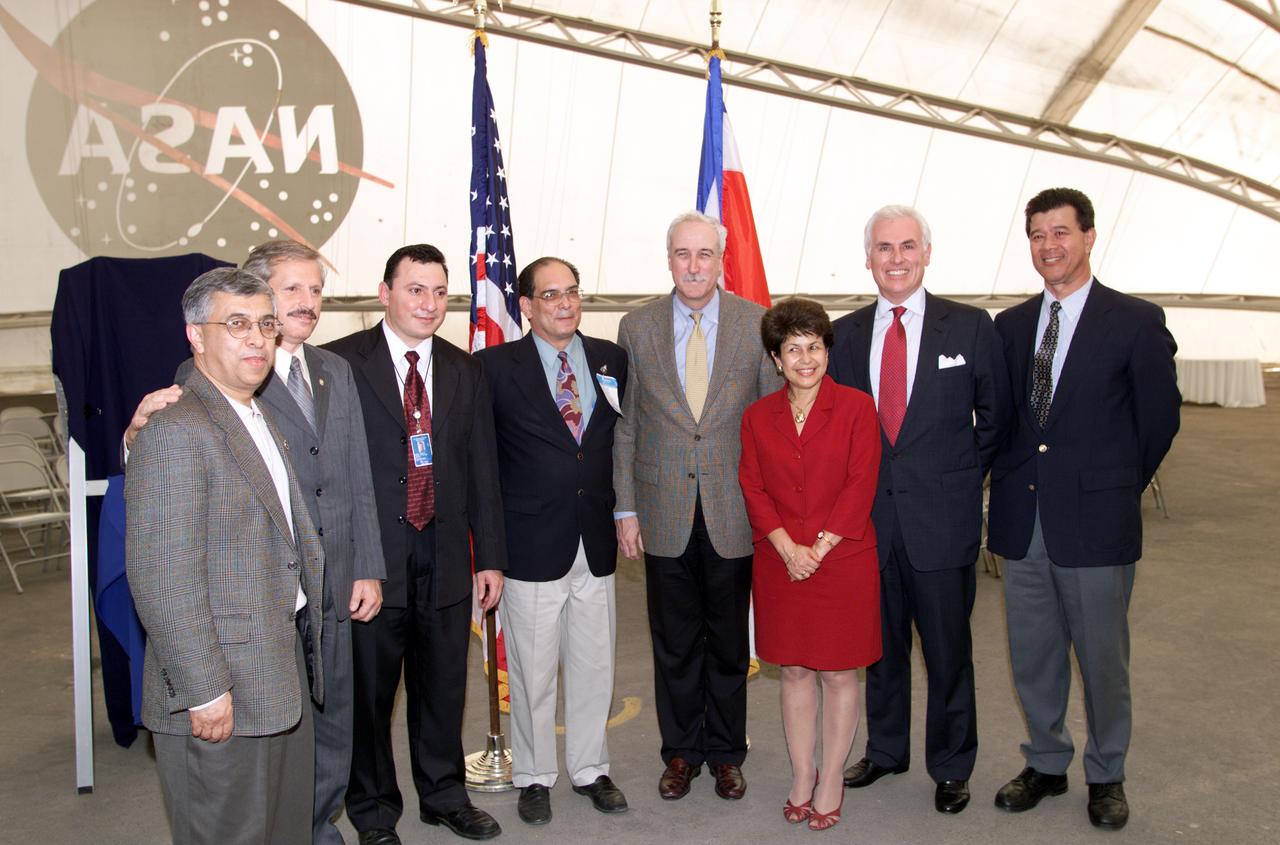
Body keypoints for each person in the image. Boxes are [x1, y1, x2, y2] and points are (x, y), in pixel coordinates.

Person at [123, 240, 387, 845]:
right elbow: (163, 576)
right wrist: (204, 688)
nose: (255, 339)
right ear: (196, 336)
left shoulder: (256, 413)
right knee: (231, 830)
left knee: (282, 825)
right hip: (222, 683)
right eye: (236, 324)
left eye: (264, 325)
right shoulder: (179, 426)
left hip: (281, 666)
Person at [988, 188, 1180, 831]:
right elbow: (1007, 422)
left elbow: (1158, 421)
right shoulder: (1010, 327)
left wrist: (1115, 488)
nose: (1050, 246)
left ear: (1090, 237)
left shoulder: (1134, 321)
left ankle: (1106, 773)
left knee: (1102, 658)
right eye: (1038, 235)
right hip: (1024, 522)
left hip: (1097, 523)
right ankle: (1045, 761)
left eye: (1061, 233)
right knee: (1034, 655)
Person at [829, 206, 1011, 815]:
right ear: (868, 258)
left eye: (908, 246)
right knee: (877, 648)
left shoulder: (969, 327)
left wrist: (956, 481)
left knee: (947, 651)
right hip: (869, 526)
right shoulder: (846, 334)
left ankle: (952, 765)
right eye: (884, 247)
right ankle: (886, 750)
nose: (897, 258)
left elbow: (995, 418)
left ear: (927, 253)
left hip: (943, 520)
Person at [324, 244, 507, 845]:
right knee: (372, 697)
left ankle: (444, 797)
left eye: (438, 292)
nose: (428, 304)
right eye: (415, 290)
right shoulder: (338, 365)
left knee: (443, 689)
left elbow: (483, 470)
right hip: (373, 564)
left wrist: (492, 559)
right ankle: (374, 814)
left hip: (447, 557)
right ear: (385, 293)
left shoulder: (465, 369)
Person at [612, 210, 780, 802]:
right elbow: (627, 425)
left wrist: (775, 515)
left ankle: (728, 754)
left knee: (731, 643)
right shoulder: (637, 327)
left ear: (720, 259)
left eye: (704, 254)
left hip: (735, 511)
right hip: (663, 513)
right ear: (669, 260)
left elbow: (770, 424)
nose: (693, 265)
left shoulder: (756, 323)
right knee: (674, 643)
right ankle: (681, 752)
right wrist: (624, 509)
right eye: (683, 254)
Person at [475, 257, 630, 826]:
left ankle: (590, 769)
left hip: (596, 537)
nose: (563, 304)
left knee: (595, 663)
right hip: (529, 541)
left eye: (571, 292)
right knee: (532, 671)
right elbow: (482, 466)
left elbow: (617, 444)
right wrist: (488, 549)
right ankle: (535, 775)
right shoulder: (491, 368)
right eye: (549, 295)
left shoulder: (611, 360)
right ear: (526, 306)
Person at [738, 297, 882, 831]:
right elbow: (752, 486)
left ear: (827, 350)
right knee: (795, 670)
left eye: (814, 346)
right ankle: (803, 774)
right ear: (776, 359)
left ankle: (832, 778)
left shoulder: (856, 408)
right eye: (793, 349)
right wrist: (786, 547)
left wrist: (817, 549)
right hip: (780, 563)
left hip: (842, 560)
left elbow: (860, 483)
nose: (805, 359)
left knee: (842, 674)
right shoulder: (757, 417)